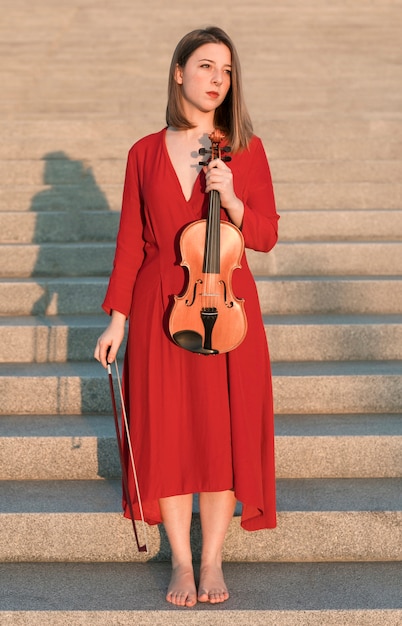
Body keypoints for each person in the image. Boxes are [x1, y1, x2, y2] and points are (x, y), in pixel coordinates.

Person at [94, 26, 279, 608]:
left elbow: (267, 236)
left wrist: (237, 200)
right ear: (179, 73)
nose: (216, 79)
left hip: (227, 311)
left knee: (220, 436)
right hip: (158, 310)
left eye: (225, 70)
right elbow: (131, 242)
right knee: (168, 434)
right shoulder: (144, 152)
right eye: (204, 66)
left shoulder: (244, 148)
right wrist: (117, 319)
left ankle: (212, 558)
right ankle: (179, 559)